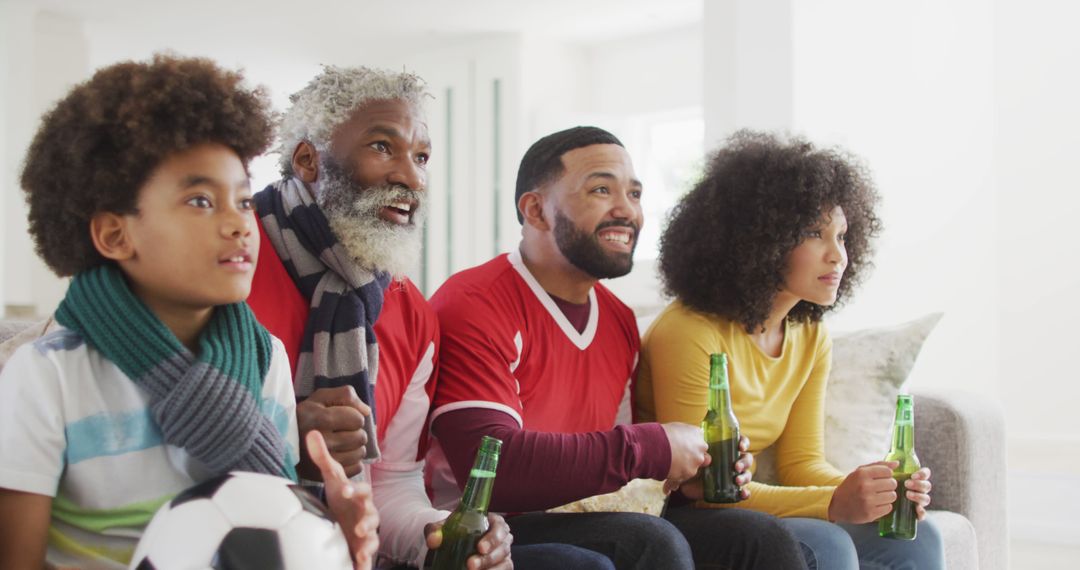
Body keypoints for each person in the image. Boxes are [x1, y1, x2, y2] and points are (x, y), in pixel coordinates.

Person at [0, 55, 377, 570]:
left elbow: (263, 531)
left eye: (245, 201)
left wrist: (330, 544)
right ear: (115, 234)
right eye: (201, 201)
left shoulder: (266, 360)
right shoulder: (47, 376)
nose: (240, 224)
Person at [246, 66, 611, 570]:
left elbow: (392, 484)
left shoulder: (410, 311)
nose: (411, 177)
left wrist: (437, 532)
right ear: (308, 160)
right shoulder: (234, 264)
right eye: (382, 147)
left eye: (421, 157)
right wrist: (285, 438)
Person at [426, 126, 807, 570]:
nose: (627, 211)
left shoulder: (618, 321)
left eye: (635, 193)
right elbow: (491, 474)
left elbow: (613, 478)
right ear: (535, 210)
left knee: (758, 538)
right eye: (601, 189)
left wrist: (686, 483)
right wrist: (653, 446)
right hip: (488, 530)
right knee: (646, 543)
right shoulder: (475, 301)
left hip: (582, 516)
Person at [636, 130, 945, 570]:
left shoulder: (810, 336)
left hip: (742, 505)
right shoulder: (688, 331)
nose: (838, 256)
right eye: (815, 234)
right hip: (684, 513)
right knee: (827, 543)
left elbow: (802, 465)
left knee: (916, 536)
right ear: (762, 239)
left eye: (842, 235)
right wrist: (835, 503)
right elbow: (704, 489)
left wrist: (874, 491)